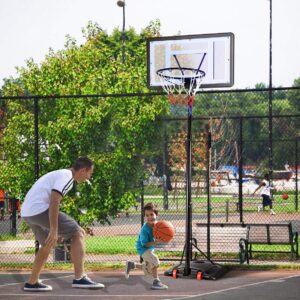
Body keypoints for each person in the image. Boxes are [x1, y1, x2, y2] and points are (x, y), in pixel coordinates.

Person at [21, 156, 104, 292]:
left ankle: (32, 282)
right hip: (39, 209)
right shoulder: (67, 177)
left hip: (27, 213)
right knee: (78, 232)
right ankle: (79, 278)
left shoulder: (61, 174)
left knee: (47, 244)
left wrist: (54, 232)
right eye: (90, 173)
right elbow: (54, 201)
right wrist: (54, 230)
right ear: (83, 170)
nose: (89, 177)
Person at [124, 202, 168, 290]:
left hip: (150, 248)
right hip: (143, 248)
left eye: (151, 214)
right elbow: (145, 244)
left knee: (149, 268)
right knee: (155, 261)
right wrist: (156, 242)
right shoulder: (145, 229)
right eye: (147, 215)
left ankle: (132, 265)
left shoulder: (158, 225)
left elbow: (164, 233)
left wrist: (166, 235)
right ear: (145, 217)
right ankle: (156, 281)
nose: (149, 217)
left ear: (156, 214)